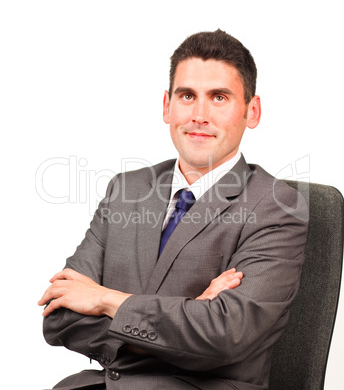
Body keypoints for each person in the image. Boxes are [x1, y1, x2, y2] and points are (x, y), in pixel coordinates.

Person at [38, 29, 308, 390]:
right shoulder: (126, 189)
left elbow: (224, 336)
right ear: (167, 106)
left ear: (251, 111)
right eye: (187, 95)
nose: (199, 114)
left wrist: (105, 300)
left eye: (219, 97)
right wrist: (188, 318)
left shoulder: (278, 206)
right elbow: (59, 318)